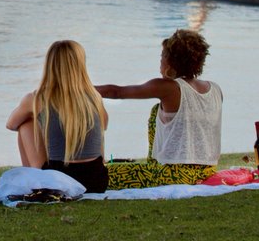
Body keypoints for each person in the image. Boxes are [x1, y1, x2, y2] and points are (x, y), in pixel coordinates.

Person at [95, 29, 222, 189]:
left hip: (175, 175)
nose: (160, 61)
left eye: (162, 56)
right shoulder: (215, 89)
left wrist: (75, 88)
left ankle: (153, 166)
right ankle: (153, 165)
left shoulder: (168, 87)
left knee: (100, 175)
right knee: (159, 109)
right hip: (208, 171)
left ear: (171, 61)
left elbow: (116, 92)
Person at [6, 40, 109, 193]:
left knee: (26, 125)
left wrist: (39, 118)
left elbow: (11, 124)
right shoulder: (94, 97)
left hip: (58, 182)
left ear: (50, 66)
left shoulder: (37, 98)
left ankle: (33, 182)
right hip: (96, 181)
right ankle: (38, 179)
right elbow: (104, 126)